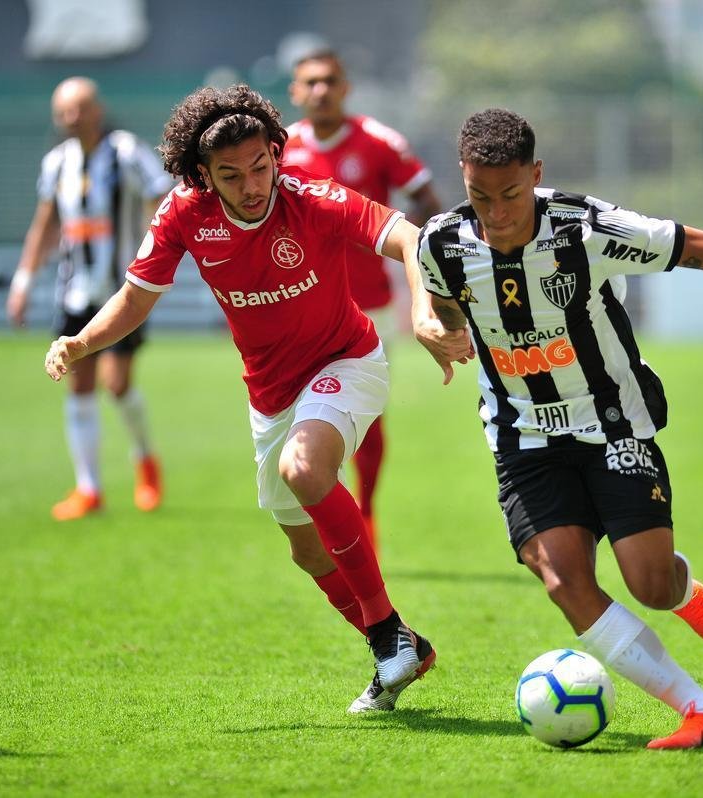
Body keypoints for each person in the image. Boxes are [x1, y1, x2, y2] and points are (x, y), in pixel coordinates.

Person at [417, 109, 703, 749]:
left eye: (512, 195)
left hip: (612, 423)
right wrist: (438, 327)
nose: (495, 213)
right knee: (561, 578)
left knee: (649, 586)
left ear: (537, 175)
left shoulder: (585, 229)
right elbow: (439, 297)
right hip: (523, 437)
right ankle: (702, 712)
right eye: (480, 197)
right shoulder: (441, 243)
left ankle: (680, 586)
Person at [43, 84, 469, 713]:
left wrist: (427, 315)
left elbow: (407, 236)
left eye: (261, 168)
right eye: (231, 175)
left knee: (305, 468)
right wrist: (81, 343)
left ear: (276, 152)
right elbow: (136, 297)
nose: (251, 186)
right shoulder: (182, 213)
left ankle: (385, 636)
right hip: (270, 394)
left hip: (347, 360)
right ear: (202, 175)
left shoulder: (311, 198)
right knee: (304, 549)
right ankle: (406, 646)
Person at [283, 47, 444, 547]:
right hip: (300, 299)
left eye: (329, 80)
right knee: (296, 410)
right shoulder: (279, 146)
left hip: (366, 300)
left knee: (363, 411)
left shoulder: (378, 142)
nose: (320, 90)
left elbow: (426, 198)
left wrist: (426, 263)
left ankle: (365, 515)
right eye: (310, 82)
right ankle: (317, 511)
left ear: (345, 87)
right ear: (295, 92)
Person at [8, 76, 175, 521]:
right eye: (63, 111)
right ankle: (89, 488)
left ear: (96, 110)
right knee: (77, 383)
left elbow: (164, 197)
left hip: (122, 291)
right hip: (74, 290)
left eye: (78, 109)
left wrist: (156, 248)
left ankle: (145, 461)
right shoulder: (56, 163)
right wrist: (23, 280)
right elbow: (45, 223)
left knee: (117, 385)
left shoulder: (125, 151)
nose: (70, 118)